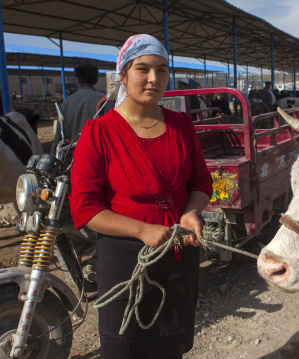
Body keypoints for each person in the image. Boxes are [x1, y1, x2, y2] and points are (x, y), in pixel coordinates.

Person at [69, 34, 213, 359]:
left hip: (177, 253)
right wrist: (141, 230)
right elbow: (85, 208)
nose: (153, 79)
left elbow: (201, 182)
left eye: (162, 70)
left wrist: (191, 213)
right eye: (142, 68)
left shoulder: (181, 125)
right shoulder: (99, 132)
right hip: (124, 261)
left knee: (169, 346)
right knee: (126, 348)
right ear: (122, 74)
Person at [52, 63, 102, 152]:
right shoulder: (104, 101)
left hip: (72, 158)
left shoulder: (66, 103)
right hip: (100, 157)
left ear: (78, 80)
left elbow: (58, 138)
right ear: (96, 80)